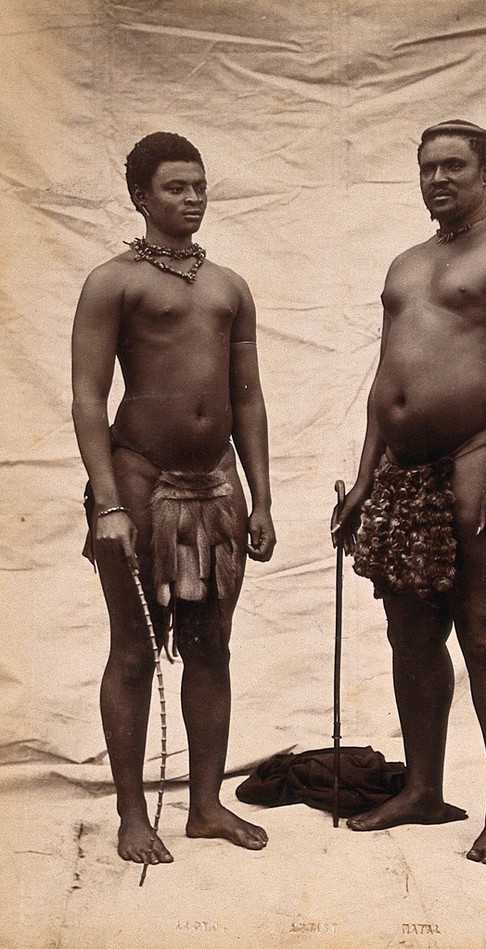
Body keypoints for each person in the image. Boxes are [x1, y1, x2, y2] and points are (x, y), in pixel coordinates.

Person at [332, 120, 486, 864]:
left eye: (455, 166)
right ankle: (424, 789)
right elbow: (384, 383)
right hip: (404, 469)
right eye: (429, 167)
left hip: (480, 452)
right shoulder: (404, 265)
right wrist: (366, 475)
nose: (440, 179)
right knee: (411, 634)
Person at [72, 132, 276, 866]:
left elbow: (247, 398)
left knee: (210, 647)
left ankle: (207, 804)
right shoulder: (112, 282)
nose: (192, 198)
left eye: (199, 186)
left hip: (216, 487)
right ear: (140, 197)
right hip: (138, 479)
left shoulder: (228, 286)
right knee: (133, 650)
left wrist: (262, 499)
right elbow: (89, 398)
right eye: (175, 188)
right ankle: (133, 814)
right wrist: (107, 504)